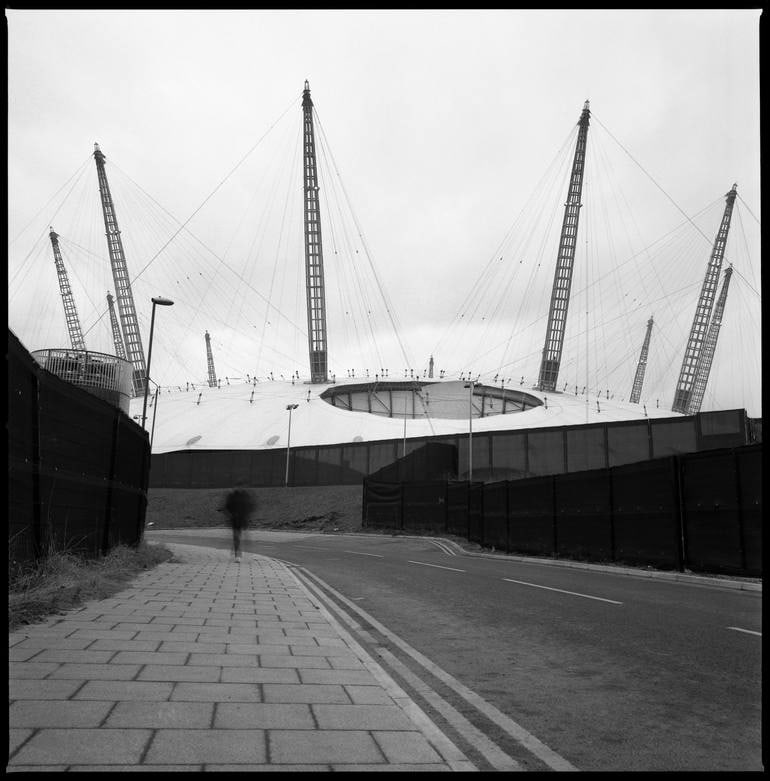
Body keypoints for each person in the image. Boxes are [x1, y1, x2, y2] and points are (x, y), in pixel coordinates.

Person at [221, 487, 255, 562]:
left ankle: (236, 552)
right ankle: (237, 554)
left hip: (241, 519)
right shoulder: (233, 495)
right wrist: (230, 514)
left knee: (238, 537)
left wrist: (247, 515)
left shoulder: (245, 495)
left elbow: (250, 506)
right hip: (235, 519)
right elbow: (227, 506)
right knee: (237, 537)